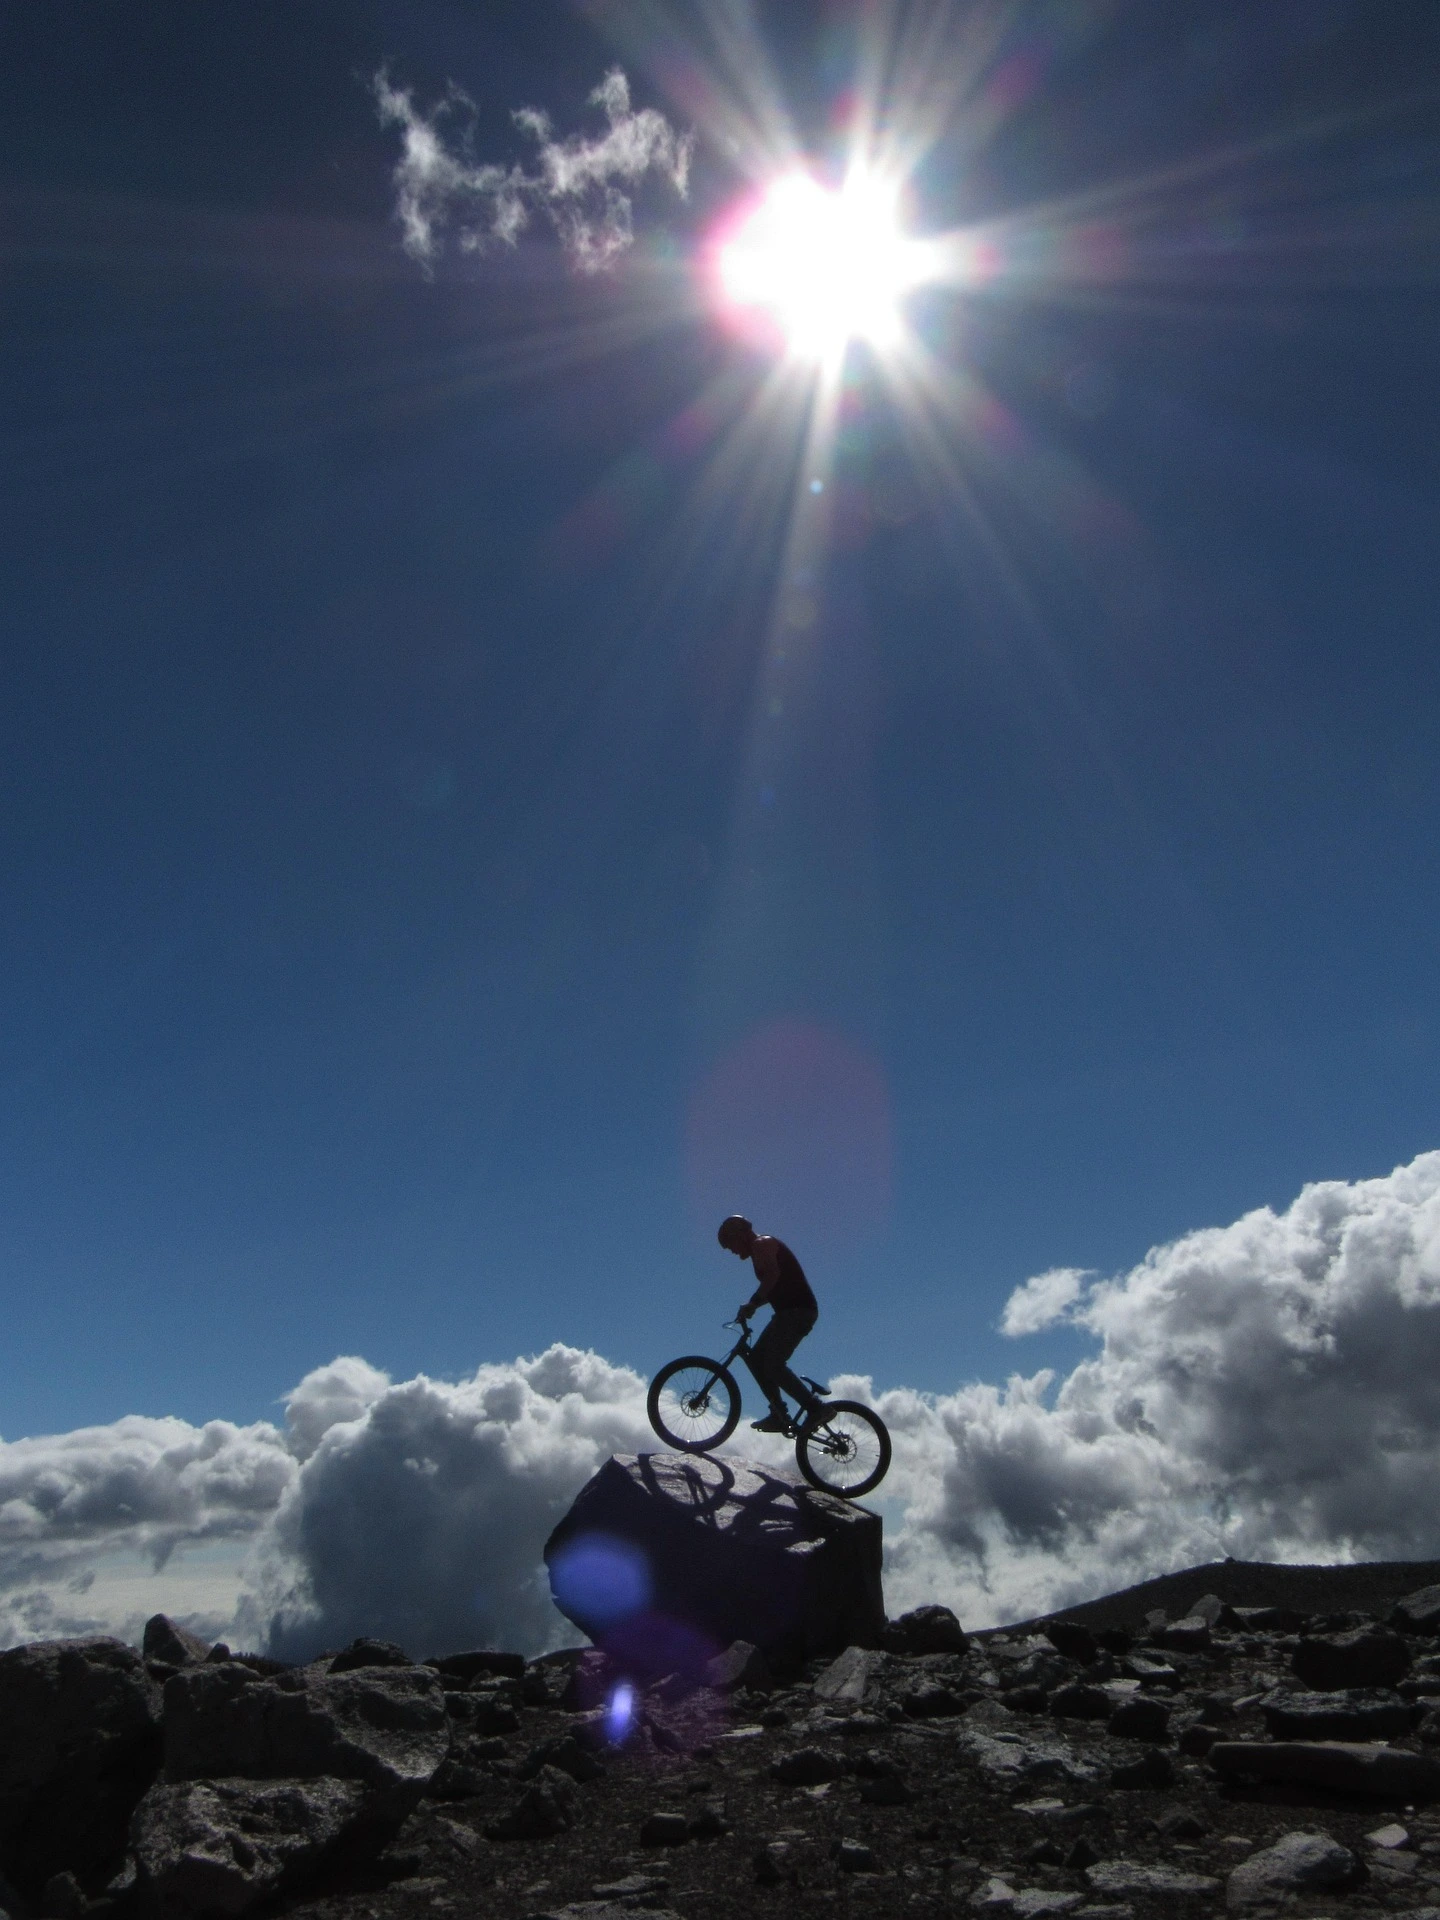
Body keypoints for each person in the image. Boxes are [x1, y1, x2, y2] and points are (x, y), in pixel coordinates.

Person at [717, 1214, 824, 1433]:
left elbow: (773, 1276)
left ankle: (816, 1408)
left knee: (773, 1365)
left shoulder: (761, 1244)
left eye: (731, 1244)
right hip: (788, 1313)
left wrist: (753, 1303)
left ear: (740, 1235)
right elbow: (775, 1286)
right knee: (757, 1360)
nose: (733, 1251)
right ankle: (778, 1413)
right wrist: (753, 1305)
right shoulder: (757, 1251)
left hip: (798, 1312)